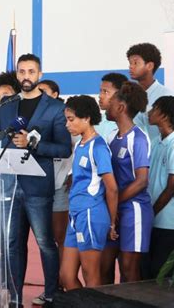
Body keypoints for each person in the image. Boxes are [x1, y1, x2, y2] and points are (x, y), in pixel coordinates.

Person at [0, 54, 72, 307]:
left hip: (37, 188)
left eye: (31, 72)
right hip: (8, 186)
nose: (26, 76)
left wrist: (33, 143)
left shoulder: (55, 108)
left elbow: (64, 149)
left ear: (39, 74)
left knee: (45, 243)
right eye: (22, 71)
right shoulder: (7, 106)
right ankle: (14, 298)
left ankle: (52, 295)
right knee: (12, 244)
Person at [59, 95, 118, 290]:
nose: (67, 125)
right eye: (66, 119)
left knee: (90, 275)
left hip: (91, 214)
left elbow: (112, 187)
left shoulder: (98, 147)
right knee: (66, 276)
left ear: (87, 118)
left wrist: (112, 221)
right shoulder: (79, 145)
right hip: (75, 215)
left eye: (71, 119)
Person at [102, 82, 153, 284]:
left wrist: (114, 204)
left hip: (134, 211)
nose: (107, 105)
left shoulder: (138, 138)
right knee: (104, 266)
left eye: (111, 101)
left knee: (128, 269)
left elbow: (141, 181)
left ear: (121, 107)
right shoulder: (112, 137)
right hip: (114, 211)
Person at [33, 80, 73, 305]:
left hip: (59, 187)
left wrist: (73, 173)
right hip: (39, 187)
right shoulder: (37, 120)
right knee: (44, 239)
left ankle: (63, 284)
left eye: (44, 92)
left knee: (59, 238)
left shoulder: (67, 117)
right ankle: (51, 286)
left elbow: (75, 147)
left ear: (55, 94)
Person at [146, 96, 174, 278]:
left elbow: (172, 186)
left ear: (164, 116)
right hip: (156, 219)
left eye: (155, 108)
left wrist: (150, 212)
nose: (150, 111)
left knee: (162, 274)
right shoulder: (157, 142)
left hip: (168, 223)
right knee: (150, 272)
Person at [127, 43, 173, 143]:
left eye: (135, 63)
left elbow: (170, 134)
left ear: (150, 66)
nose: (131, 67)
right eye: (130, 63)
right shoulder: (127, 94)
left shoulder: (165, 96)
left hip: (154, 154)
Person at [95, 73, 128, 141]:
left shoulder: (133, 124)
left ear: (120, 94)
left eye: (105, 92)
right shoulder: (96, 122)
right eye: (100, 91)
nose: (100, 96)